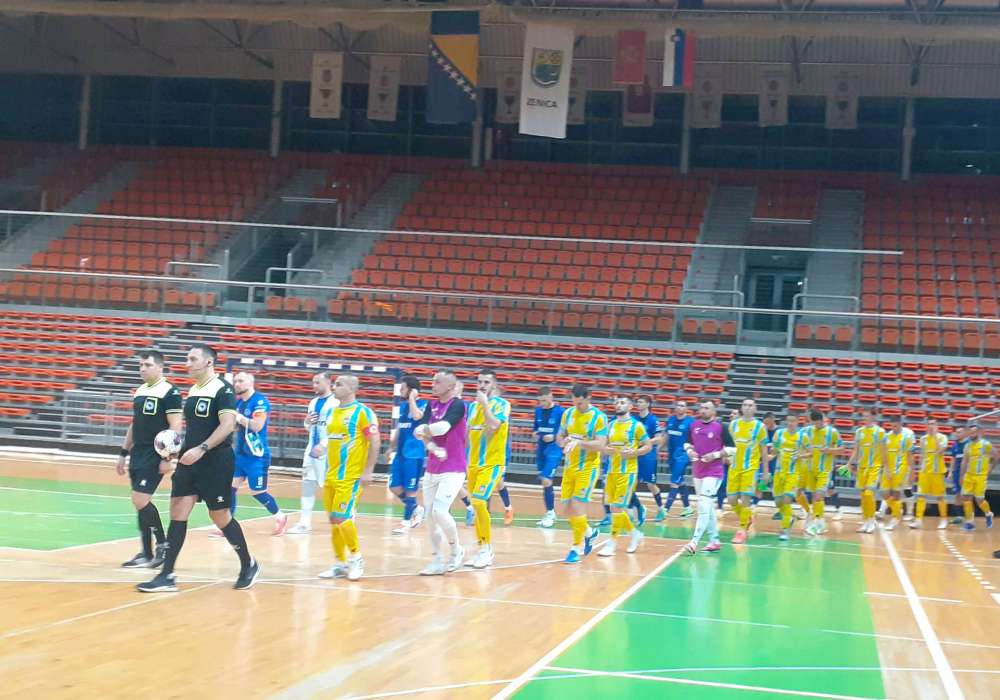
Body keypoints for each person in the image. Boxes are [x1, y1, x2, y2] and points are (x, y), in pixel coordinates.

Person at [137, 344, 258, 592]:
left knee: (219, 516)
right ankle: (167, 575)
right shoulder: (193, 390)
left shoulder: (223, 389)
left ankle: (248, 564)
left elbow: (227, 425)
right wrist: (175, 449)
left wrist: (202, 448)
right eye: (187, 359)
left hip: (216, 461)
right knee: (178, 512)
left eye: (193, 359)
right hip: (189, 461)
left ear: (208, 362)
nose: (187, 364)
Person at [117, 350, 182, 568]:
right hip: (138, 453)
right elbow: (134, 424)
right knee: (139, 503)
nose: (142, 369)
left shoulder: (170, 391)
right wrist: (123, 453)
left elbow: (175, 425)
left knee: (140, 499)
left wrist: (169, 457)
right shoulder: (140, 391)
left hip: (155, 454)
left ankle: (163, 545)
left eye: (147, 365)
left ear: (160, 367)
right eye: (141, 365)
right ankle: (146, 553)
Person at [317, 375, 380, 581]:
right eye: (334, 384)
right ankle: (340, 564)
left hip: (350, 477)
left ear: (352, 388)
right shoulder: (332, 412)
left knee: (342, 518)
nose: (334, 387)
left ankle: (356, 558)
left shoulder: (363, 412)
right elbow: (331, 439)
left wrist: (368, 470)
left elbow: (375, 441)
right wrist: (321, 447)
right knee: (334, 521)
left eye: (339, 384)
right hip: (331, 475)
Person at [414, 371, 468, 575]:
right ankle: (436, 559)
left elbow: (442, 428)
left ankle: (456, 551)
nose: (433, 384)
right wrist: (433, 447)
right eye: (433, 381)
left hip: (453, 467)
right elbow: (423, 434)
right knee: (429, 515)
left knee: (440, 511)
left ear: (450, 386)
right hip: (433, 467)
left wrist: (423, 430)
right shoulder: (432, 404)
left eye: (437, 382)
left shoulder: (458, 405)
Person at [229, 371, 286, 535]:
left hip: (256, 456)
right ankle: (228, 525)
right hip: (240, 454)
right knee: (230, 488)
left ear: (250, 382)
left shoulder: (260, 401)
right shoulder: (238, 403)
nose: (237, 384)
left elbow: (257, 426)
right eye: (235, 381)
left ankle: (280, 517)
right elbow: (235, 426)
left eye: (241, 381)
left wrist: (238, 417)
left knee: (257, 492)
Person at [556, 384, 607, 564]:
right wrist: (564, 441)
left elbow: (601, 444)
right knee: (567, 509)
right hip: (570, 467)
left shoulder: (599, 417)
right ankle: (589, 533)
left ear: (588, 398)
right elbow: (559, 437)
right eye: (574, 403)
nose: (577, 407)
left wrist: (579, 443)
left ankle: (576, 548)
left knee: (577, 506)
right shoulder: (568, 414)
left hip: (588, 467)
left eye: (580, 403)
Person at [465, 369, 511, 569]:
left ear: (494, 384)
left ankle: (487, 550)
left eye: (486, 382)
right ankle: (482, 548)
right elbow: (468, 434)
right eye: (480, 381)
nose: (482, 385)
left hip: (492, 463)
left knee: (478, 501)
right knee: (476, 506)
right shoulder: (472, 406)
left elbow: (493, 426)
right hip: (473, 464)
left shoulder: (502, 404)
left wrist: (485, 405)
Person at [598, 395, 651, 557]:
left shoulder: (637, 426)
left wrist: (635, 452)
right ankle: (634, 533)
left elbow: (648, 446)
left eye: (622, 403)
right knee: (614, 508)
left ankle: (612, 543)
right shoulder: (611, 425)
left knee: (617, 507)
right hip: (611, 471)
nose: (618, 405)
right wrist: (605, 450)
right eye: (616, 403)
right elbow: (603, 446)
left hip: (628, 472)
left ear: (630, 406)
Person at [288, 372, 339, 534]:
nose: (314, 385)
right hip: (311, 450)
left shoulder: (336, 403)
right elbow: (308, 426)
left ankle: (346, 515)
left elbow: (338, 428)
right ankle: (304, 523)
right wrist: (307, 422)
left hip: (328, 451)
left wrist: (324, 445)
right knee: (308, 484)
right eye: (313, 382)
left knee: (333, 485)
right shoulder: (313, 402)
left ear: (328, 382)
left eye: (317, 382)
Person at [683, 400, 729, 554]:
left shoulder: (721, 427)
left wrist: (714, 455)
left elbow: (732, 449)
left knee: (703, 505)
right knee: (707, 506)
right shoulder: (694, 425)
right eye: (702, 408)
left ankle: (694, 541)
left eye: (707, 408)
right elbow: (687, 443)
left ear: (714, 411)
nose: (703, 410)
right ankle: (714, 540)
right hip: (698, 471)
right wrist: (690, 451)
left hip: (714, 472)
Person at [388, 375, 427, 535]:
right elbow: (400, 427)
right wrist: (392, 445)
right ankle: (416, 508)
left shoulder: (423, 404)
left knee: (411, 490)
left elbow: (418, 416)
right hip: (400, 453)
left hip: (414, 454)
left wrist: (412, 399)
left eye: (403, 388)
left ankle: (405, 523)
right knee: (394, 486)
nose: (401, 391)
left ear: (412, 390)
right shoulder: (403, 406)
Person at [727, 399, 769, 544]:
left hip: (751, 468)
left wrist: (765, 472)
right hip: (734, 467)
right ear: (741, 408)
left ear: (755, 408)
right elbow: (733, 446)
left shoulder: (760, 427)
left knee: (746, 498)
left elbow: (764, 450)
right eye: (745, 405)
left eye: (750, 405)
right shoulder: (733, 425)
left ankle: (741, 530)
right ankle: (747, 518)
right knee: (731, 499)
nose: (747, 407)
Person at [799, 409, 842, 536]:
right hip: (810, 469)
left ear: (822, 420)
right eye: (814, 423)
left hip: (825, 470)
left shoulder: (832, 432)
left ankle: (818, 522)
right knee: (814, 497)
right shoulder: (807, 431)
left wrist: (830, 450)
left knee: (819, 495)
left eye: (818, 422)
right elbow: (797, 439)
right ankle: (820, 522)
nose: (816, 425)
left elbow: (842, 449)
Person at [847, 408, 887, 534]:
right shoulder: (859, 432)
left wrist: (886, 467)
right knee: (863, 496)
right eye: (864, 416)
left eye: (867, 416)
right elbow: (856, 450)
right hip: (862, 467)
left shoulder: (880, 432)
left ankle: (871, 520)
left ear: (873, 417)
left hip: (874, 467)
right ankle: (865, 521)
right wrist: (849, 463)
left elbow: (884, 451)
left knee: (869, 493)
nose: (865, 418)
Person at [533, 386, 564, 528]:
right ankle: (549, 512)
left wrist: (554, 436)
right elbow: (535, 429)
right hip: (541, 448)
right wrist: (535, 434)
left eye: (544, 401)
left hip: (554, 449)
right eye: (540, 401)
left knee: (546, 479)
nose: (542, 404)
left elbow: (565, 431)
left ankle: (551, 513)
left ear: (551, 397)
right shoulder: (538, 411)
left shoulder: (560, 412)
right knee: (544, 481)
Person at [910, 418, 950, 530]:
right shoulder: (923, 439)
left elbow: (940, 451)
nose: (931, 426)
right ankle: (918, 520)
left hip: (937, 472)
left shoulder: (942, 437)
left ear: (937, 425)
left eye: (933, 424)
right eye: (929, 424)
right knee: (921, 495)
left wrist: (935, 436)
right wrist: (920, 468)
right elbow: (922, 455)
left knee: (940, 497)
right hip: (925, 472)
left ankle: (943, 519)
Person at [770, 413, 803, 541]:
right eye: (788, 421)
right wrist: (773, 451)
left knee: (787, 499)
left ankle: (785, 529)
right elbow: (774, 450)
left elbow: (811, 452)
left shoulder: (802, 436)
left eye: (793, 421)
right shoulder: (779, 434)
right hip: (779, 472)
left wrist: (800, 456)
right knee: (778, 502)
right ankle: (790, 517)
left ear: (797, 422)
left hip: (793, 473)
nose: (790, 423)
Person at [662, 400, 694, 519]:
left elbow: (695, 439)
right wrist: (658, 449)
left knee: (674, 481)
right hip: (672, 455)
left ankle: (665, 509)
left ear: (686, 409)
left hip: (683, 456)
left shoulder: (690, 422)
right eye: (677, 405)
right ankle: (688, 508)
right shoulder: (671, 420)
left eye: (682, 405)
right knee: (680, 481)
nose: (679, 407)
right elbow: (666, 436)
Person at [881, 417, 915, 531]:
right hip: (888, 469)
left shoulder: (906, 437)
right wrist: (886, 468)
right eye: (892, 426)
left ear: (900, 425)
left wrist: (912, 471)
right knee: (884, 493)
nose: (893, 428)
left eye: (895, 426)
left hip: (901, 469)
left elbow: (910, 456)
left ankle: (895, 518)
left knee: (896, 493)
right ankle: (898, 511)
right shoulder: (887, 437)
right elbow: (884, 454)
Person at [633, 395, 663, 523]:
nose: (638, 404)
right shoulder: (634, 419)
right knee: (631, 483)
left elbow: (659, 438)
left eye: (641, 402)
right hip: (636, 454)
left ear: (647, 404)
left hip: (649, 456)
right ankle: (636, 509)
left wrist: (645, 442)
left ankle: (661, 509)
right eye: (638, 402)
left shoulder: (653, 419)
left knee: (651, 484)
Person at [959, 423, 994, 531]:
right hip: (969, 475)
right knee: (966, 498)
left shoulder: (986, 444)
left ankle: (988, 514)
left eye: (973, 432)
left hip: (980, 476)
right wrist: (961, 476)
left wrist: (989, 470)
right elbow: (964, 461)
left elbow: (995, 456)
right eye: (970, 433)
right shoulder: (967, 446)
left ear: (978, 432)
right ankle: (970, 522)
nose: (972, 434)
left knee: (979, 500)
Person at [947, 424, 970, 524]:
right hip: (957, 473)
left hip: (967, 473)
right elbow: (953, 459)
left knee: (967, 495)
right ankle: (959, 517)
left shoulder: (969, 444)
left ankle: (969, 518)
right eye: (956, 432)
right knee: (957, 494)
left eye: (959, 432)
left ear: (964, 433)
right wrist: (950, 472)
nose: (957, 434)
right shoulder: (955, 445)